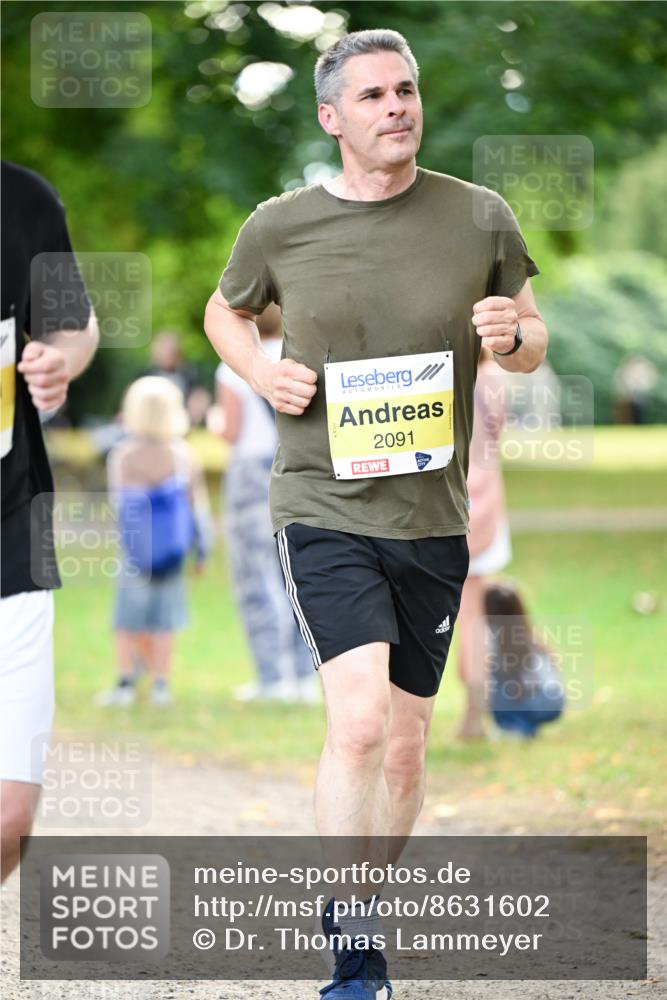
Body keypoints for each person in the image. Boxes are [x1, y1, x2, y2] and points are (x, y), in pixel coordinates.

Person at [204, 29, 548, 998]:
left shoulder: (478, 216)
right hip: (321, 502)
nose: (396, 107)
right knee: (355, 724)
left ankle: (362, 901)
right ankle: (357, 954)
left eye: (406, 91)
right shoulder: (279, 226)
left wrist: (512, 334)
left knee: (404, 742)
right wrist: (260, 369)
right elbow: (224, 311)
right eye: (372, 97)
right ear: (332, 117)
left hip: (432, 516)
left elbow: (530, 339)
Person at [1, 161, 99, 881]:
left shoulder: (23, 198)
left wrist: (58, 363)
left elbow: (74, 328)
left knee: (10, 818)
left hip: (10, 536)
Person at [212, 303, 316, 703]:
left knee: (254, 577)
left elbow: (231, 431)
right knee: (298, 574)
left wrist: (213, 422)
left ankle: (272, 677)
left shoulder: (236, 366)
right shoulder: (300, 359)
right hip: (295, 471)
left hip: (250, 475)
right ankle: (304, 675)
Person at [96, 376, 213, 708]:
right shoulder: (184, 456)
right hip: (172, 550)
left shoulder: (121, 455)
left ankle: (124, 681)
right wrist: (202, 551)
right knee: (165, 620)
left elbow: (117, 504)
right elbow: (198, 509)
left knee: (128, 617)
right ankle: (161, 683)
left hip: (135, 551)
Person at [456, 348, 512, 740]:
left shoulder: (444, 375)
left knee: (466, 615)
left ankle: (473, 710)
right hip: (487, 500)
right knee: (477, 614)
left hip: (452, 500)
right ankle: (476, 708)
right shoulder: (494, 378)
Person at [484, 581, 565, 738]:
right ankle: (522, 723)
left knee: (494, 679)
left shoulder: (495, 640)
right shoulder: (528, 634)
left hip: (538, 701)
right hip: (555, 700)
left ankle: (515, 726)